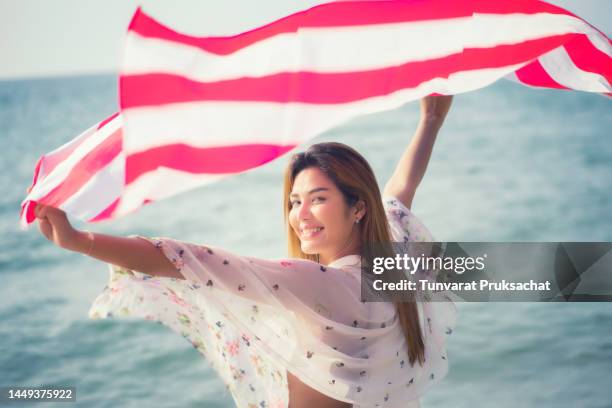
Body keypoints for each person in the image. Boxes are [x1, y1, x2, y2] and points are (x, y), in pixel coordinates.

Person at [33, 95, 456, 408]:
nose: (301, 215)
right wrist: (431, 121)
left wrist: (81, 241)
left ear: (357, 206)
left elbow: (188, 260)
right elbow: (401, 192)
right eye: (294, 201)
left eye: (318, 198)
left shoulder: (322, 281)